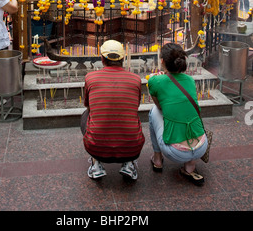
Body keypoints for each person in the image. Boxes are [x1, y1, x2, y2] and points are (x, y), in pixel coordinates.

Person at [81, 40, 145, 180]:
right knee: (130, 114)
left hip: (96, 148)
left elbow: (88, 106)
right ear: (123, 59)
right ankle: (129, 164)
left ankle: (96, 164)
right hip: (132, 148)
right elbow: (136, 105)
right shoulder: (135, 79)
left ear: (102, 59)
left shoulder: (90, 78)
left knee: (86, 116)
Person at [148, 43, 208, 186]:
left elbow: (160, 106)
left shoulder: (155, 81)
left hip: (176, 152)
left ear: (162, 61)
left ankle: (157, 159)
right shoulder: (190, 80)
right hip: (202, 147)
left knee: (153, 112)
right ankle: (190, 167)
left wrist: (157, 80)